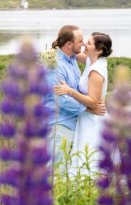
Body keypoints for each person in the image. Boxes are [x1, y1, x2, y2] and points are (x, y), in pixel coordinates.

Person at [43, 25, 106, 173]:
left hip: (72, 123)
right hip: (59, 125)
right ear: (69, 44)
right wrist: (89, 108)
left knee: (67, 170)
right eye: (80, 41)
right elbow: (62, 100)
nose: (83, 44)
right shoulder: (55, 66)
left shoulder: (71, 59)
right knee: (55, 171)